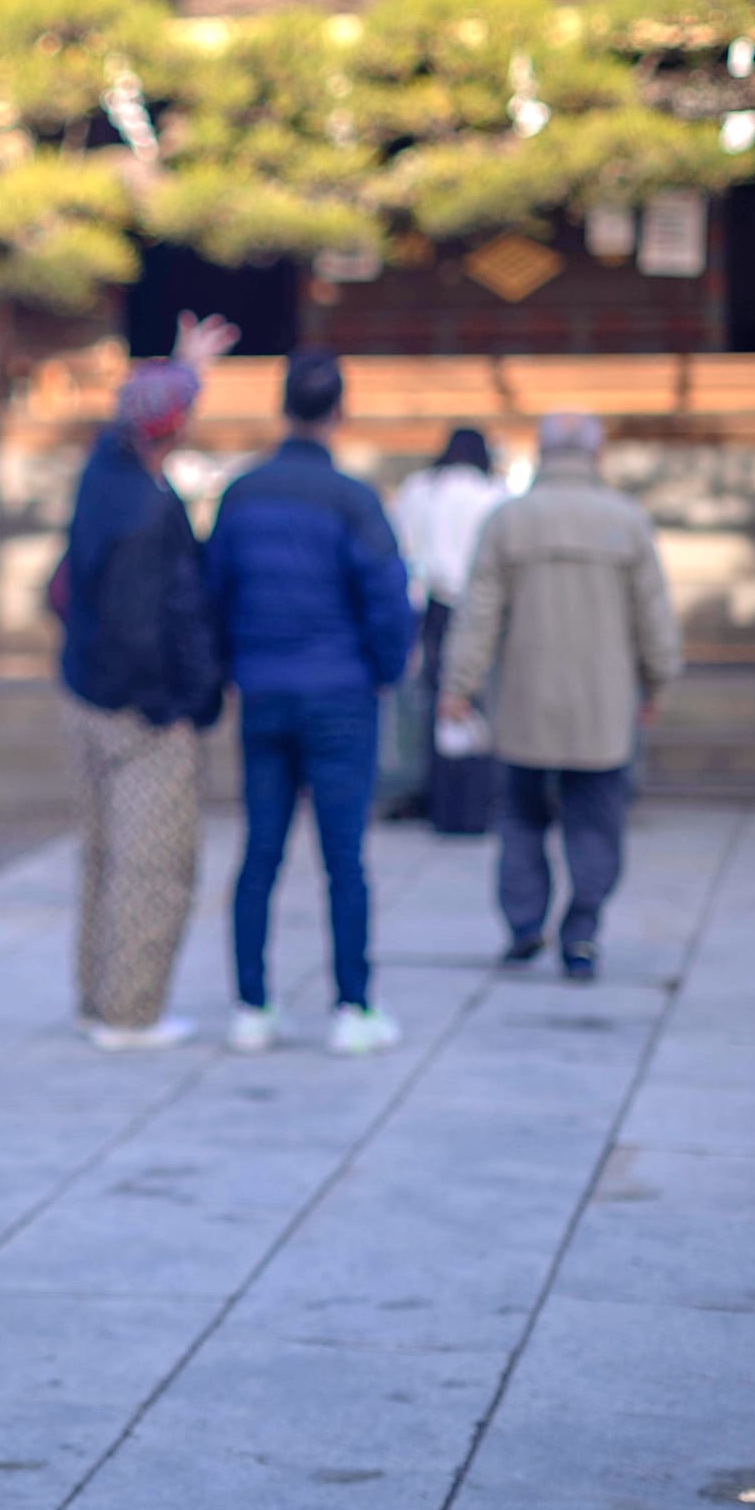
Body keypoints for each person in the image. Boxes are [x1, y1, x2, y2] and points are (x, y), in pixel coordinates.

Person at [205, 345, 414, 1056]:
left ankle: (251, 1006)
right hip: (341, 693)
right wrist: (385, 671)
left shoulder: (241, 493)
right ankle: (352, 1007)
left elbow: (214, 593)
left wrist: (232, 665)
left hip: (263, 690)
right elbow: (389, 600)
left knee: (259, 852)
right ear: (340, 411)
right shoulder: (354, 499)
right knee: (344, 857)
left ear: (283, 405)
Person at [439, 410, 682, 981]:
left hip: (525, 699)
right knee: (596, 820)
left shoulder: (509, 520)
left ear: (542, 454)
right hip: (603, 703)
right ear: (596, 456)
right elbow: (654, 615)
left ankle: (525, 926)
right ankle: (582, 933)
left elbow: (478, 614)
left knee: (522, 818)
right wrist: (658, 679)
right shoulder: (625, 521)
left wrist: (459, 684)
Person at [58, 316, 234, 1052]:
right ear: (174, 428)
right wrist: (180, 702)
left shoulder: (106, 473)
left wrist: (185, 365)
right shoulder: (145, 509)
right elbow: (145, 627)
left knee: (104, 857)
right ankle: (131, 1013)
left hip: (88, 692)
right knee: (150, 863)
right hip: (140, 709)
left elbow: (125, 414)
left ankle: (100, 999)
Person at [395, 426, 509, 834]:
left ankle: (443, 805)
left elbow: (403, 551)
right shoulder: (494, 494)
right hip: (481, 610)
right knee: (478, 707)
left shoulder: (420, 490)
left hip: (433, 609)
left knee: (439, 707)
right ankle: (478, 807)